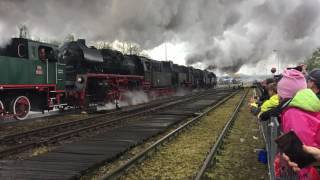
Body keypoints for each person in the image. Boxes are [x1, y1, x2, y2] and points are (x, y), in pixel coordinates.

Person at [272, 69, 320, 179]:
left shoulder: (293, 112)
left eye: (280, 95)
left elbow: (301, 148)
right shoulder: (306, 105)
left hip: (304, 173)